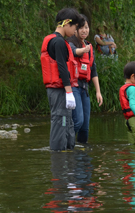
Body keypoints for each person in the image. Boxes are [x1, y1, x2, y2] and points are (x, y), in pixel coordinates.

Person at [40, 8, 82, 151]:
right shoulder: (57, 42)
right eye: (75, 27)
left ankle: (68, 155)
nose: (75, 31)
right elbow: (62, 67)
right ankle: (59, 159)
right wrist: (69, 92)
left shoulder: (58, 41)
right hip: (59, 91)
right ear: (66, 23)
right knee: (60, 120)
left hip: (61, 90)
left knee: (67, 121)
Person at [67, 14, 103, 145]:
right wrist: (83, 50)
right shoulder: (69, 43)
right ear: (75, 29)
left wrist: (98, 92)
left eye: (86, 27)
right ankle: (67, 144)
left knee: (85, 126)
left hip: (84, 88)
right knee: (78, 121)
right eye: (81, 27)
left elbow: (93, 70)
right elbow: (73, 52)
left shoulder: (89, 46)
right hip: (73, 87)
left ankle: (82, 152)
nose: (84, 30)